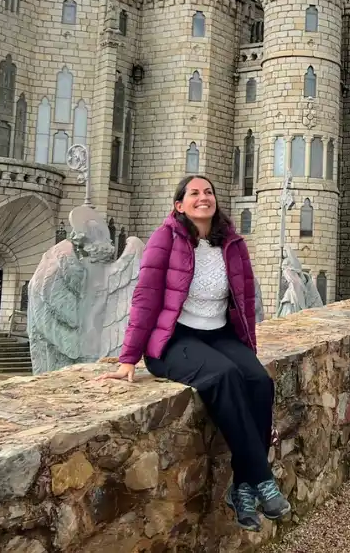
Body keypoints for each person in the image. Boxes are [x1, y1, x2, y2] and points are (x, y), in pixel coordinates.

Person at [95, 175, 290, 531]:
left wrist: (248, 351)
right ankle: (260, 479)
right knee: (224, 376)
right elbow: (146, 298)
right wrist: (128, 358)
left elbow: (245, 302)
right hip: (174, 340)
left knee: (259, 381)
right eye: (195, 193)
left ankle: (241, 488)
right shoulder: (165, 239)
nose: (204, 198)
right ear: (179, 206)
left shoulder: (232, 243)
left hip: (220, 335)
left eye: (209, 192)